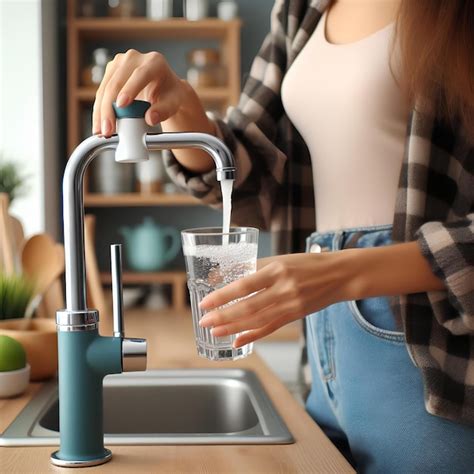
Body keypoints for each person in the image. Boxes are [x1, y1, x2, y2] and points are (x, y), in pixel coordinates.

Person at [93, 0, 474, 471]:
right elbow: (248, 168)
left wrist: (344, 271)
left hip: (428, 345)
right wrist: (181, 106)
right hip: (319, 336)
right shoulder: (301, 7)